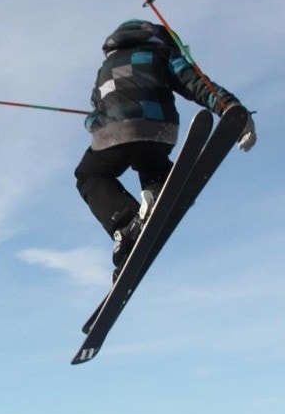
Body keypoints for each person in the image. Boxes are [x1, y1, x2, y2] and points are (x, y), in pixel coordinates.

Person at [75, 19, 255, 273]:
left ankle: (125, 226)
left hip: (113, 133)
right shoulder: (161, 53)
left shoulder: (105, 68)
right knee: (150, 158)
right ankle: (158, 189)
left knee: (89, 175)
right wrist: (230, 108)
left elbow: (93, 114)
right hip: (158, 129)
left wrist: (98, 121)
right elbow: (195, 83)